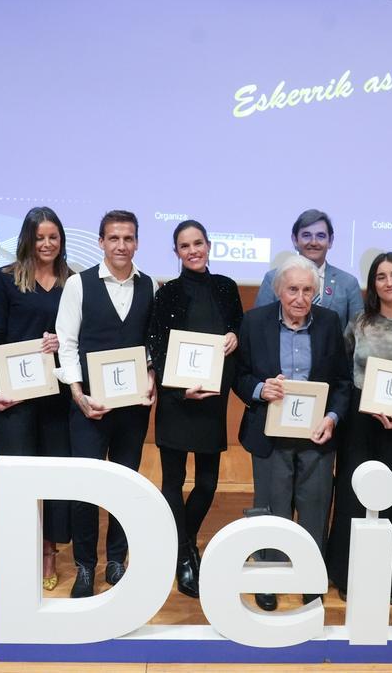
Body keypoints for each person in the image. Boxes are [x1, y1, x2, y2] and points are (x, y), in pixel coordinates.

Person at [235, 255, 352, 611]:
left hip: (317, 435)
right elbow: (238, 376)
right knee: (272, 511)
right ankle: (268, 578)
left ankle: (310, 577)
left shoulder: (330, 323)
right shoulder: (254, 322)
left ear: (315, 293)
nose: (300, 298)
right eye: (292, 290)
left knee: (315, 508)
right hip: (269, 436)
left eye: (306, 290)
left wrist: (332, 417)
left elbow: (343, 383)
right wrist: (259, 390)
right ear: (279, 292)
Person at [56, 209, 158, 598]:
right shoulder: (79, 286)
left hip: (132, 407)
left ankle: (117, 558)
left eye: (128, 238)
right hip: (89, 406)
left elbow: (152, 345)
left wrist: (150, 377)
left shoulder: (150, 286)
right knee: (87, 487)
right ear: (100, 242)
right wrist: (78, 394)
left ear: (137, 242)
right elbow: (66, 343)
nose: (121, 245)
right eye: (113, 238)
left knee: (125, 480)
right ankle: (85, 565)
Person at [326, 252, 392, 605]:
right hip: (359, 420)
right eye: (381, 277)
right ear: (373, 285)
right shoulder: (359, 322)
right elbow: (343, 365)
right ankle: (346, 573)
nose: (388, 282)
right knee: (353, 496)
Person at [146, 220, 244, 599]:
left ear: (208, 245)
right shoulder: (166, 293)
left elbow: (237, 331)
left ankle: (181, 542)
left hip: (211, 402)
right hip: (177, 400)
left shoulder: (227, 288)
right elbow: (157, 343)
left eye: (198, 243)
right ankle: (186, 554)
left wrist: (236, 335)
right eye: (184, 246)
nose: (193, 251)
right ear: (176, 253)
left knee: (207, 483)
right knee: (172, 481)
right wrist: (178, 389)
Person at [0, 207, 74, 590]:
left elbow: (81, 339)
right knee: (17, 478)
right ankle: (17, 552)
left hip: (57, 396)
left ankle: (49, 552)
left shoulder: (75, 282)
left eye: (53, 237)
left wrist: (61, 341)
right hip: (15, 394)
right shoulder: (6, 280)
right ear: (27, 240)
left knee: (53, 477)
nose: (47, 244)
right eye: (40, 237)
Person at [254, 208, 364, 331]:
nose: (313, 242)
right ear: (295, 240)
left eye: (321, 236)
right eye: (306, 235)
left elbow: (358, 332)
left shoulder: (348, 283)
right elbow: (259, 326)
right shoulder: (273, 278)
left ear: (330, 241)